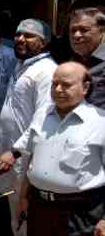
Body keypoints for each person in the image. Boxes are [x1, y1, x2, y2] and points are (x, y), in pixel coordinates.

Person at [10, 62, 105, 236]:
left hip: (80, 213)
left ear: (85, 87)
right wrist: (23, 198)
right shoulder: (42, 114)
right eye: (54, 84)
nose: (58, 89)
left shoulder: (100, 122)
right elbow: (32, 158)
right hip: (40, 208)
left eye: (66, 85)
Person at [0, 19, 58, 236]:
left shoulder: (47, 71)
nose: (20, 39)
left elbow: (43, 119)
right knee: (13, 221)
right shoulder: (22, 65)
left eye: (29, 35)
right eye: (18, 33)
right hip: (8, 159)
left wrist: (15, 151)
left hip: (25, 159)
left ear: (44, 42)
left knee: (24, 222)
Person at [68, 6, 105, 109]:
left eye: (84, 30)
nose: (76, 35)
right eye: (73, 30)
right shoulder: (74, 60)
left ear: (101, 30)